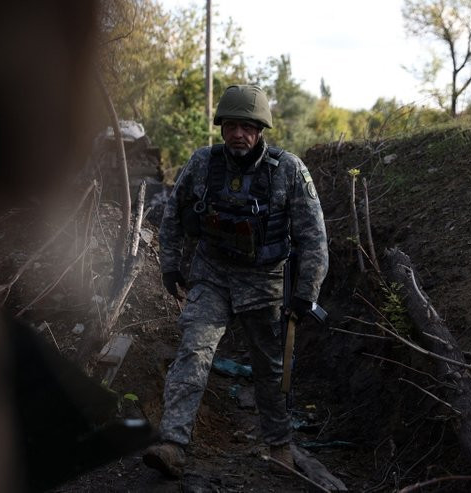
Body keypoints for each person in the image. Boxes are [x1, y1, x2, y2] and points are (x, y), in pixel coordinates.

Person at [143, 84, 328, 478]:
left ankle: (279, 445)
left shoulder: (289, 171)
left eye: (247, 126)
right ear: (221, 127)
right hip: (212, 275)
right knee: (193, 352)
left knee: (271, 369)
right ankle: (173, 443)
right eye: (231, 125)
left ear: (260, 130)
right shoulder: (203, 164)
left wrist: (305, 293)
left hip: (266, 283)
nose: (238, 134)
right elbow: (174, 215)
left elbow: (314, 237)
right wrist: (170, 265)